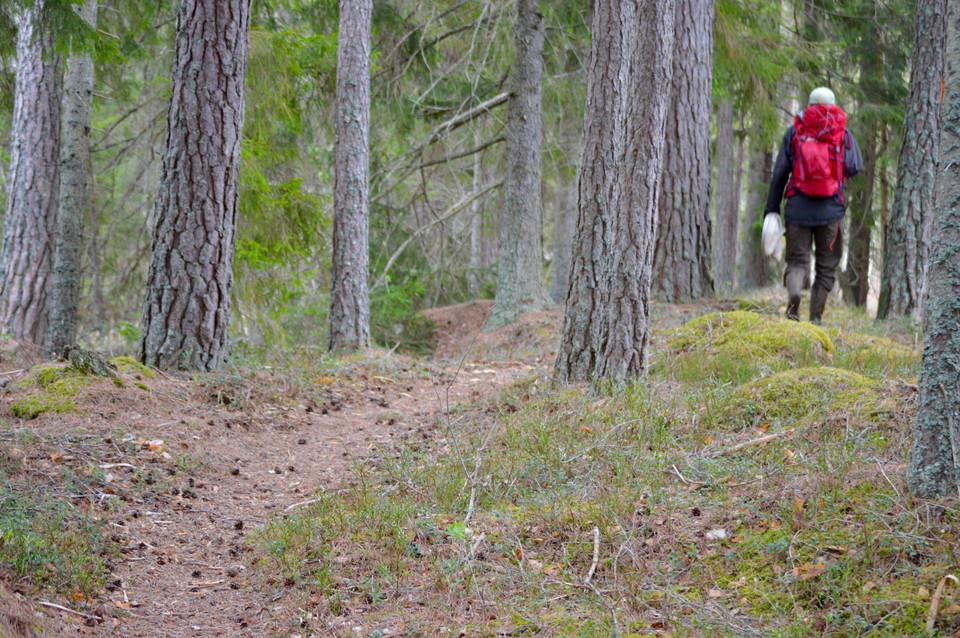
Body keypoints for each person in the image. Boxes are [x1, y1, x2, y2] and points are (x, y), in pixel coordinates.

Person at [764, 87, 863, 324]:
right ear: (833, 106)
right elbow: (855, 165)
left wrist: (772, 208)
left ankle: (794, 300)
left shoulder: (795, 133)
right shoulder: (842, 134)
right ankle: (816, 319)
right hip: (831, 213)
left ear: (809, 106)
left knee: (797, 261)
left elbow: (779, 174)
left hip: (797, 209)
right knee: (826, 267)